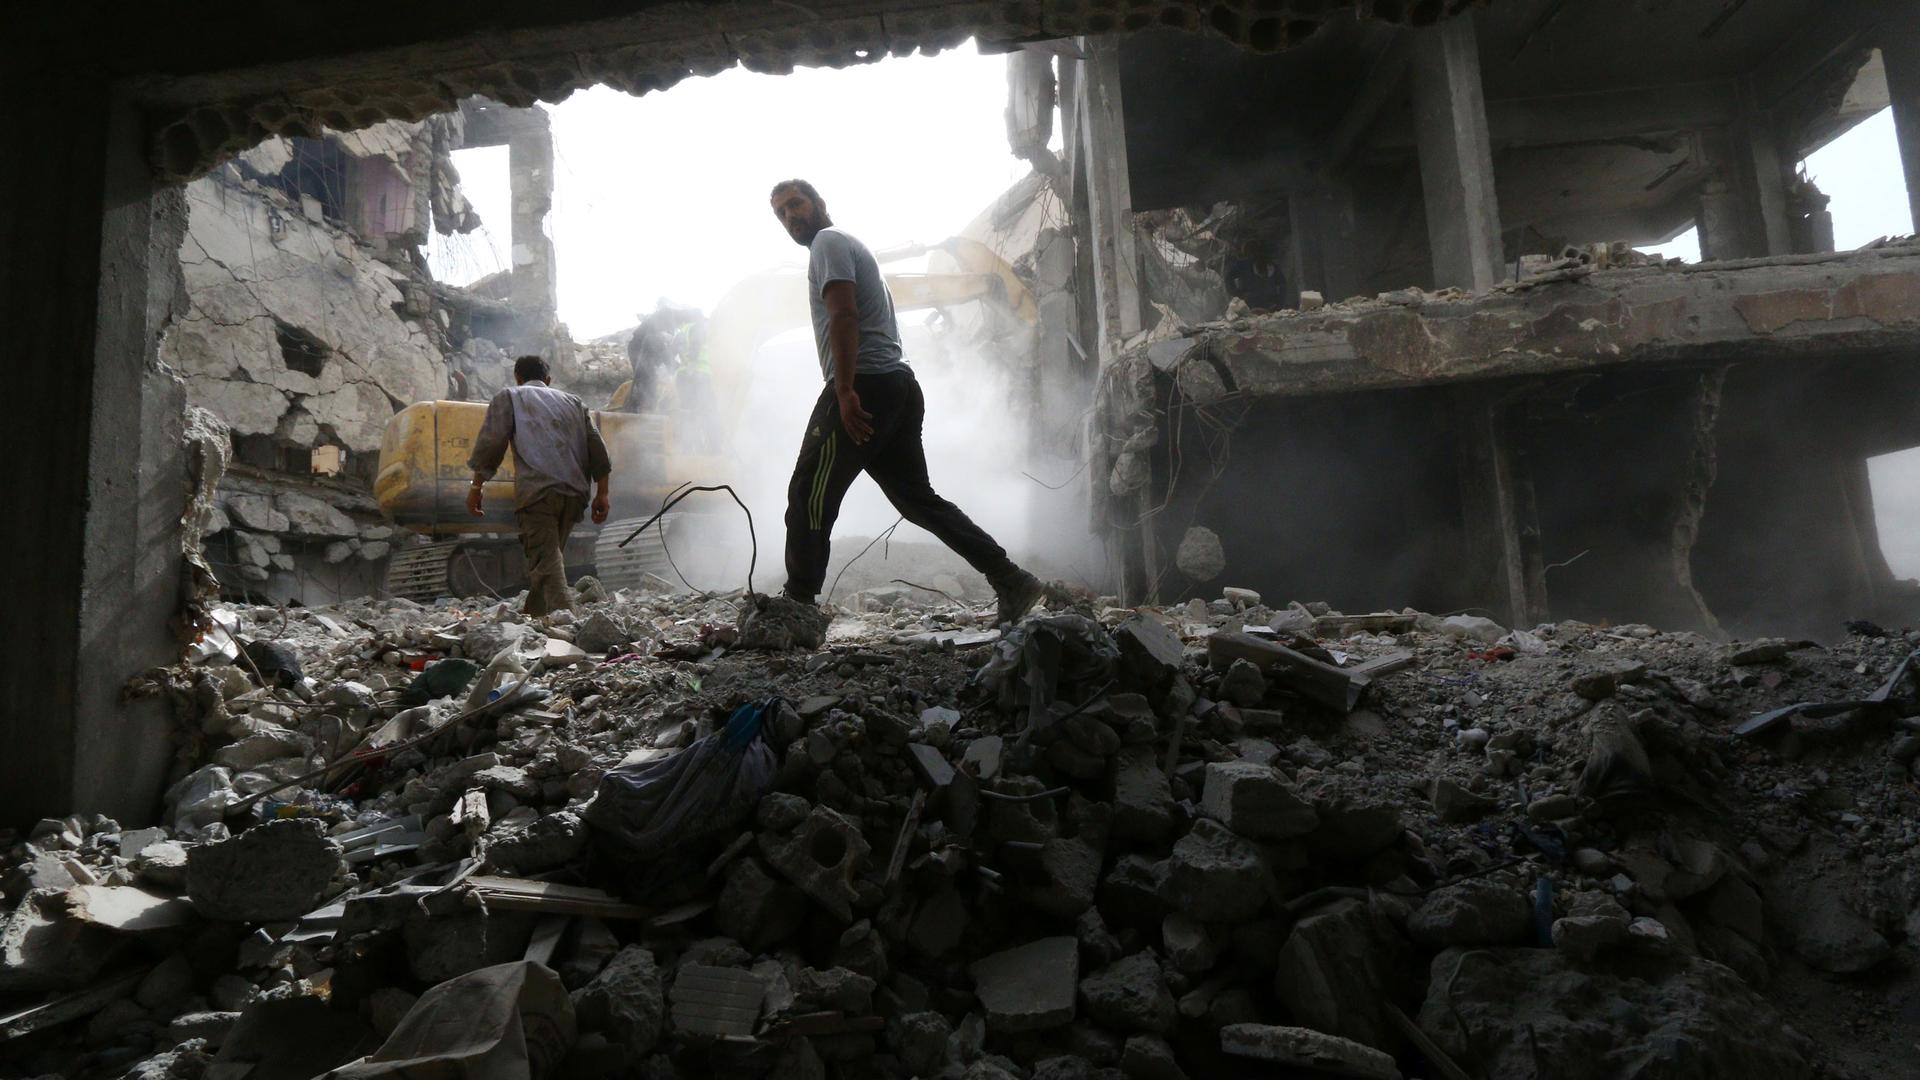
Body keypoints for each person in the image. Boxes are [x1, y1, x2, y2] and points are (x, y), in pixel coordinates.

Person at [767, 179, 1044, 625]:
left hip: (866, 383)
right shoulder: (851, 247)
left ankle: (798, 602)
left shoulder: (828, 242)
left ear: (820, 203)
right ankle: (1011, 579)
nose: (789, 216)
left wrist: (843, 390)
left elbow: (844, 313)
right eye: (780, 213)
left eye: (795, 204)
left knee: (808, 491)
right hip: (897, 384)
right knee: (918, 501)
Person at [466, 354, 613, 617]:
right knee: (548, 557)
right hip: (575, 493)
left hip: (537, 492)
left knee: (546, 559)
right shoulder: (574, 402)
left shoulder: (510, 396)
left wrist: (477, 487)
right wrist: (602, 493)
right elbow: (597, 449)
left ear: (518, 378)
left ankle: (568, 621)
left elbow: (491, 445)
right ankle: (535, 616)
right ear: (548, 379)